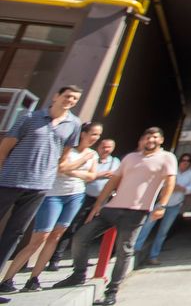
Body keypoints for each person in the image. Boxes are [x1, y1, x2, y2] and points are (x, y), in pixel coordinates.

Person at [53, 126, 177, 306]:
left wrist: (161, 205)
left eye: (155, 137)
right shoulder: (130, 157)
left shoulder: (167, 157)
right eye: (148, 137)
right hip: (112, 208)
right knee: (81, 237)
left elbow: (170, 182)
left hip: (136, 212)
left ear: (161, 140)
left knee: (123, 251)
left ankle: (112, 291)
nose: (151, 140)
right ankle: (78, 274)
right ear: (143, 139)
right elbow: (113, 181)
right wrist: (98, 204)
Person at [0, 84, 83, 303]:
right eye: (67, 96)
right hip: (9, 181)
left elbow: (63, 157)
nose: (70, 101)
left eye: (75, 99)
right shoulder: (29, 117)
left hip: (39, 187)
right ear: (56, 96)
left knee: (14, 234)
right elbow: (4, 148)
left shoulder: (74, 124)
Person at [0, 120, 100, 294]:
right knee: (40, 237)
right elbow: (60, 168)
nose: (95, 138)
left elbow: (91, 176)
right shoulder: (68, 149)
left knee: (56, 236)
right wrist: (81, 162)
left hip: (75, 195)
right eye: (93, 134)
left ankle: (34, 279)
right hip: (53, 195)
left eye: (98, 135)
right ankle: (7, 279)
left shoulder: (93, 154)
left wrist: (70, 170)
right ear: (83, 134)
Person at [51, 135, 119, 270]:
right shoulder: (91, 158)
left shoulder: (115, 162)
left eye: (109, 147)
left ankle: (79, 260)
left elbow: (116, 178)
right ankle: (55, 259)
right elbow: (85, 175)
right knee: (71, 228)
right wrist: (100, 175)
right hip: (84, 198)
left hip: (101, 201)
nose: (106, 149)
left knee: (89, 231)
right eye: (103, 147)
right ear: (98, 147)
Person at [134, 151, 191, 265]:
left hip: (174, 206)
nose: (185, 162)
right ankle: (135, 249)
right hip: (160, 203)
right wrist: (171, 187)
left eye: (188, 161)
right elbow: (161, 182)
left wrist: (181, 188)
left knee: (163, 232)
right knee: (147, 226)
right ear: (179, 161)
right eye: (183, 160)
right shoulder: (171, 170)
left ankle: (153, 256)